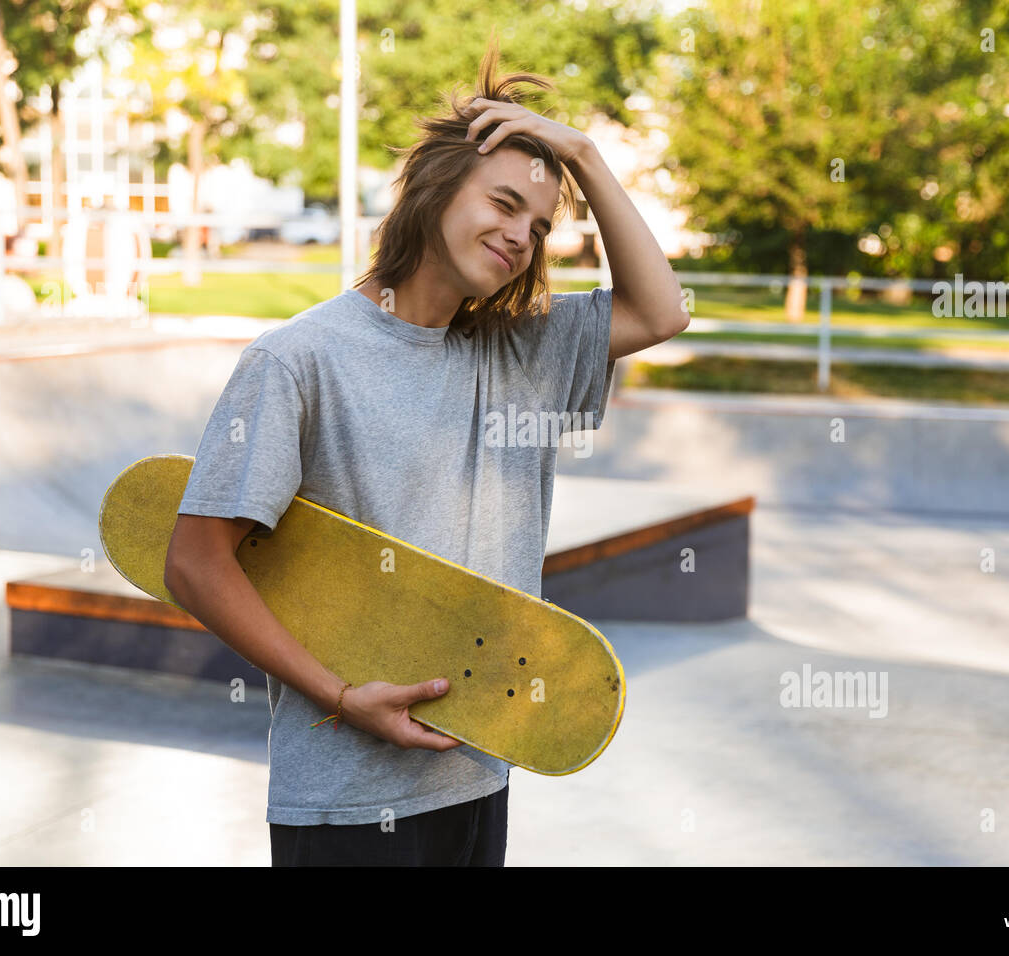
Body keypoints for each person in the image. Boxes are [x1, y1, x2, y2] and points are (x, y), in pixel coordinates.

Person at [162, 41, 688, 867]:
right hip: (343, 801)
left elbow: (662, 312)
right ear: (437, 188)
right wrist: (340, 696)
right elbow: (195, 563)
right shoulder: (300, 361)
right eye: (504, 202)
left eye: (540, 225)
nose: (520, 236)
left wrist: (584, 157)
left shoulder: (521, 353)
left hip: (476, 773)